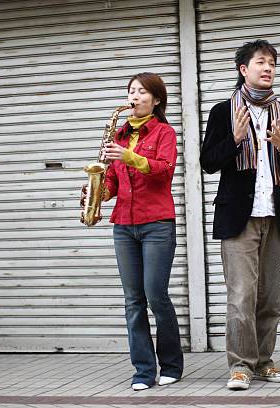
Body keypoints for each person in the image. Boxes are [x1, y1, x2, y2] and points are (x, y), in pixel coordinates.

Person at [200, 40, 280, 391]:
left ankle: (264, 363)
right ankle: (240, 366)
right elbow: (208, 163)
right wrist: (235, 139)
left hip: (275, 215)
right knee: (241, 296)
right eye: (261, 62)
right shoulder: (221, 112)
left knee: (271, 298)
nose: (268, 68)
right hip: (239, 218)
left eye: (272, 62)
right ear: (244, 69)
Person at [99, 72, 183, 391]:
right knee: (133, 300)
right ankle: (143, 371)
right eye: (131, 91)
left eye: (141, 92)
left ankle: (172, 364)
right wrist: (101, 192)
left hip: (157, 224)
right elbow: (113, 180)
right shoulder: (118, 135)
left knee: (155, 295)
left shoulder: (164, 133)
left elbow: (164, 171)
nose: (133, 97)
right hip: (123, 225)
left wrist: (130, 156)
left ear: (156, 100)